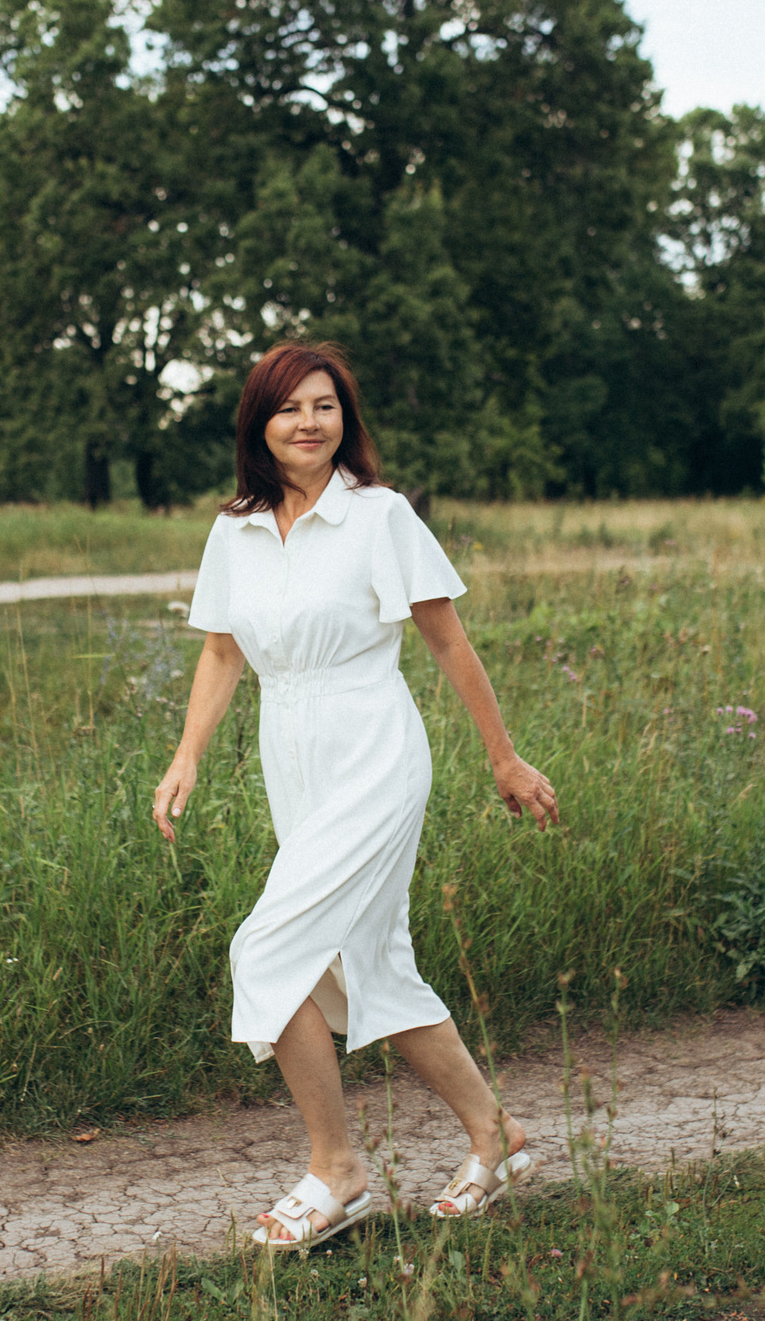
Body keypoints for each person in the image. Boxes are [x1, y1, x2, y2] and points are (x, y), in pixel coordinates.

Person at [153, 341, 560, 1248]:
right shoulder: (237, 528)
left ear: (347, 421)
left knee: (267, 950)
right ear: (260, 422)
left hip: (373, 750)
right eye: (291, 407)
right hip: (291, 755)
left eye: (326, 406)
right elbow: (222, 652)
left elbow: (449, 642)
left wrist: (503, 757)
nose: (309, 422)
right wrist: (186, 757)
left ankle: (336, 1169)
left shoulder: (380, 518)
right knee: (366, 963)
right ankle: (498, 1135)